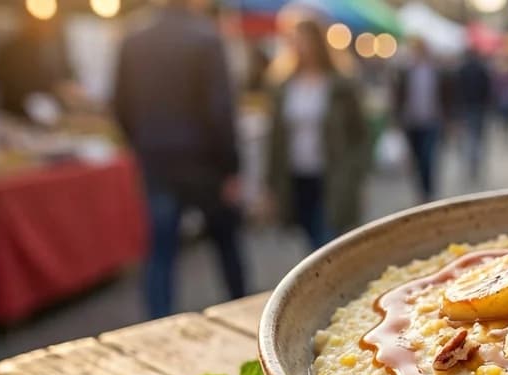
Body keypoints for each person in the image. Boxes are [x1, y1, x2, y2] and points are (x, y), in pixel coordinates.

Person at [113, 0, 246, 319]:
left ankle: (157, 325)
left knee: (161, 253)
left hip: (157, 160)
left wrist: (142, 144)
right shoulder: (207, 38)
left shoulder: (133, 38)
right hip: (206, 163)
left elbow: (120, 105)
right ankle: (245, 319)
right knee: (226, 246)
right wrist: (231, 168)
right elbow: (220, 112)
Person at [267, 21, 369, 250]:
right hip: (296, 175)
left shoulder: (340, 85)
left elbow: (359, 133)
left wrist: (356, 174)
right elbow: (275, 139)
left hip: (332, 174)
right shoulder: (284, 86)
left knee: (326, 237)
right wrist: (270, 183)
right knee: (309, 237)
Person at [392, 39, 447, 202]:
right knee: (416, 158)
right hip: (411, 122)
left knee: (427, 156)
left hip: (431, 121)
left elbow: (445, 95)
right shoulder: (405, 71)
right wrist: (396, 118)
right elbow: (398, 95)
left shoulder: (436, 71)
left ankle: (428, 191)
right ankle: (421, 189)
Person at [0, 9, 72, 116]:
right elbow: (13, 81)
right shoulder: (16, 49)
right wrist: (54, 88)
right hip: (17, 110)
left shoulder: (48, 47)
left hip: (35, 109)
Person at [455, 48, 492, 179]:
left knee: (470, 137)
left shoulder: (462, 69)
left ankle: (471, 162)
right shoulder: (482, 69)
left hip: (467, 107)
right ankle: (475, 163)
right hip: (479, 107)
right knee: (477, 137)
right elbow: (487, 89)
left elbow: (458, 90)